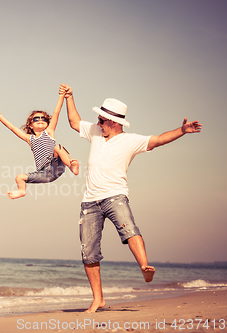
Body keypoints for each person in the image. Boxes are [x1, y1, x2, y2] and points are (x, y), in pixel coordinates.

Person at [62, 84, 202, 313]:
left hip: (115, 196)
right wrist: (70, 97)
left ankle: (145, 266)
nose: (97, 123)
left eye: (101, 120)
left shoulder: (130, 141)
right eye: (98, 119)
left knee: (129, 230)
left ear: (114, 122)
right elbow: (74, 121)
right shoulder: (96, 133)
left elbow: (158, 140)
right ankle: (98, 299)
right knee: (88, 252)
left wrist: (182, 130)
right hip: (89, 201)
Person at [0, 87, 79, 199]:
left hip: (55, 166)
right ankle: (21, 191)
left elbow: (56, 112)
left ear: (48, 123)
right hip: (42, 173)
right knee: (19, 177)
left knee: (58, 147)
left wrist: (61, 96)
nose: (40, 120)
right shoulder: (29, 138)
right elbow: (12, 127)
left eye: (43, 118)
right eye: (36, 119)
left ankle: (72, 167)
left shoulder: (49, 132)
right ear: (30, 125)